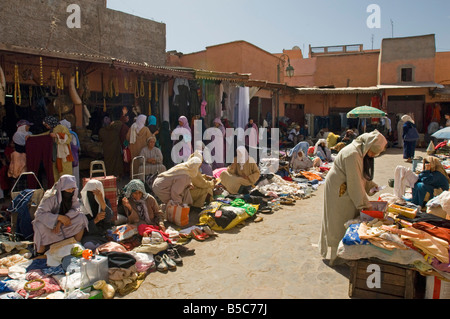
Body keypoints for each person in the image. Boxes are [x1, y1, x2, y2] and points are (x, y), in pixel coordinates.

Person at [319, 130, 387, 266]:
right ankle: (337, 256)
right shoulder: (353, 154)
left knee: (348, 216)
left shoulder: (359, 152)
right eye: (373, 152)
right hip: (338, 188)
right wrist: (365, 205)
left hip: (344, 185)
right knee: (339, 219)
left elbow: (359, 176)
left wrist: (370, 186)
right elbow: (355, 183)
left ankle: (347, 253)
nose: (372, 155)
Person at [32, 175, 88, 254]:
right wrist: (58, 218)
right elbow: (39, 214)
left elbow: (76, 208)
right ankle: (40, 252)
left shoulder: (73, 193)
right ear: (62, 188)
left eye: (73, 188)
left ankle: (76, 245)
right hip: (50, 224)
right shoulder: (51, 196)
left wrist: (63, 220)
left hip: (64, 222)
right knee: (39, 226)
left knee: (81, 218)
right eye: (68, 189)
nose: (71, 191)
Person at [80, 179, 114, 250]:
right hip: (89, 235)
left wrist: (101, 201)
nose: (93, 196)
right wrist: (95, 220)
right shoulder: (81, 205)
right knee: (89, 246)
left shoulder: (105, 202)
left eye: (96, 193)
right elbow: (81, 228)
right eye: (90, 193)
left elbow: (109, 218)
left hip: (103, 234)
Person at [60, 119, 81, 188]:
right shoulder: (72, 134)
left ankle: (74, 188)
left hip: (71, 156)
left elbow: (74, 146)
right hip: (71, 156)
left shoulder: (70, 135)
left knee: (73, 173)